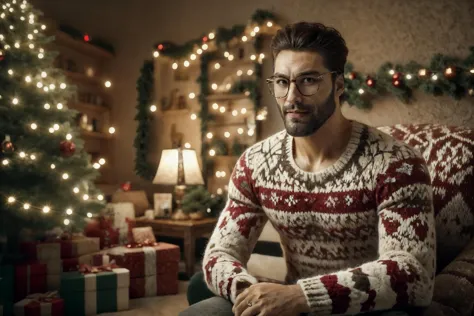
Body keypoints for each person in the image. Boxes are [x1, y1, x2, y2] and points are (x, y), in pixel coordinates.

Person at [180, 21, 436, 316]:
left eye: (308, 80)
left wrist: (303, 295)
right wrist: (247, 291)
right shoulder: (255, 163)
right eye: (281, 81)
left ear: (338, 85)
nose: (291, 97)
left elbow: (412, 272)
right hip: (289, 307)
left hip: (365, 309)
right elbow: (219, 255)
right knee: (200, 301)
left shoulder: (396, 164)